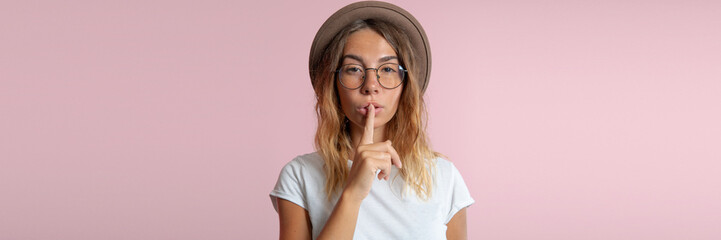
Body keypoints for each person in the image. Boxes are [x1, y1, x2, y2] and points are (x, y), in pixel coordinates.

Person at [269, 1, 474, 239]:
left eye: (387, 69)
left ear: (405, 85)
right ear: (333, 85)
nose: (370, 86)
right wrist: (353, 192)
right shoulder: (300, 176)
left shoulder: (443, 177)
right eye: (354, 69)